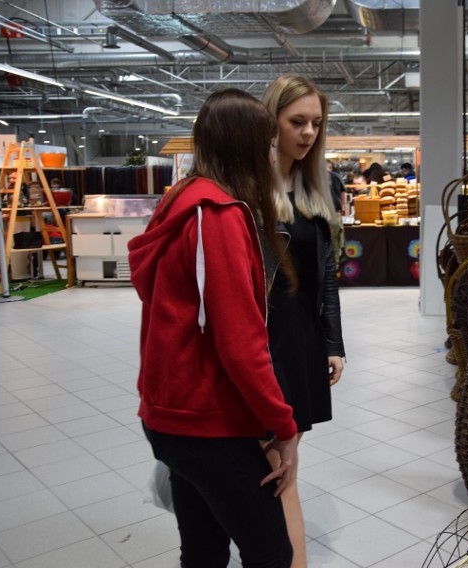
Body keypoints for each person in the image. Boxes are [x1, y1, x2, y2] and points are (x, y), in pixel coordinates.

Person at [127, 89, 298, 568]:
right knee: (270, 553)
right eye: (267, 143)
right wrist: (283, 425)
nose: (271, 155)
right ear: (247, 147)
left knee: (203, 549)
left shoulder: (180, 200)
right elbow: (240, 343)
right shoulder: (217, 216)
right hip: (207, 422)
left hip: (169, 413)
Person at [261, 73, 346, 568]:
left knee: (285, 457)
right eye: (297, 121)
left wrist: (333, 341)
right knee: (272, 459)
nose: (309, 132)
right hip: (262, 339)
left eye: (316, 122)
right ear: (271, 121)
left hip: (301, 340)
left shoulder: (320, 183)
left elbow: (327, 272)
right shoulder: (249, 186)